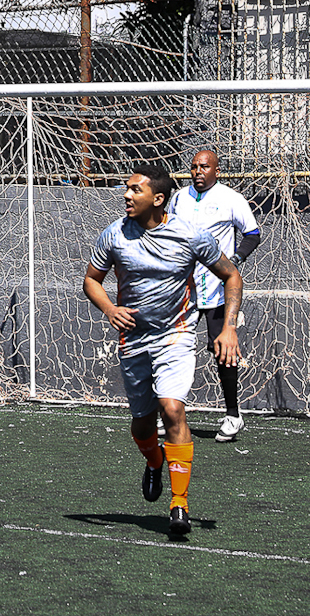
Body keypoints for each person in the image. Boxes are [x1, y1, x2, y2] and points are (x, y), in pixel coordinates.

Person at [83, 164, 242, 537]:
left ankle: (179, 503)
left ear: (157, 198)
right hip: (134, 340)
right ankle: (154, 462)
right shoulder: (114, 235)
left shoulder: (188, 234)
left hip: (177, 334)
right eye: (126, 188)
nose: (126, 195)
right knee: (142, 422)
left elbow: (230, 274)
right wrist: (109, 308)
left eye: (134, 190)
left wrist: (229, 328)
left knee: (172, 408)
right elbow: (91, 280)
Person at [166, 149, 261, 442]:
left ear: (216, 171)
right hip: (183, 289)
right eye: (194, 167)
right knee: (172, 349)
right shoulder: (179, 198)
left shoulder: (231, 199)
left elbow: (253, 234)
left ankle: (233, 416)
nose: (198, 171)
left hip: (219, 290)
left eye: (204, 167)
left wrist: (235, 260)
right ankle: (169, 415)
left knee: (223, 352)